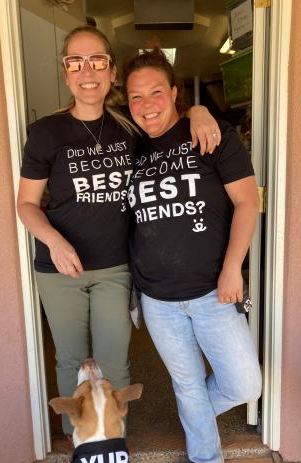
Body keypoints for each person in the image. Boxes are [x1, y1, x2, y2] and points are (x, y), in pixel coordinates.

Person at [17, 26, 221, 440]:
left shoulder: (130, 126)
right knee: (70, 359)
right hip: (59, 269)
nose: (86, 71)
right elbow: (25, 204)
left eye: (97, 61)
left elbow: (169, 121)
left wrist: (198, 110)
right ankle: (80, 445)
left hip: (114, 266)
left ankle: (113, 441)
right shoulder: (45, 133)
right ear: (65, 71)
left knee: (114, 361)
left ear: (111, 72)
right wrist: (54, 241)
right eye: (76, 61)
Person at [123, 48, 262, 463]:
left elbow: (247, 203)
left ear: (176, 93)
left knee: (245, 385)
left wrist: (231, 270)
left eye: (156, 92)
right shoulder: (130, 147)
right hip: (158, 299)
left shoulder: (209, 133)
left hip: (212, 292)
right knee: (186, 387)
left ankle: (196, 417)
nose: (147, 104)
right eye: (136, 96)